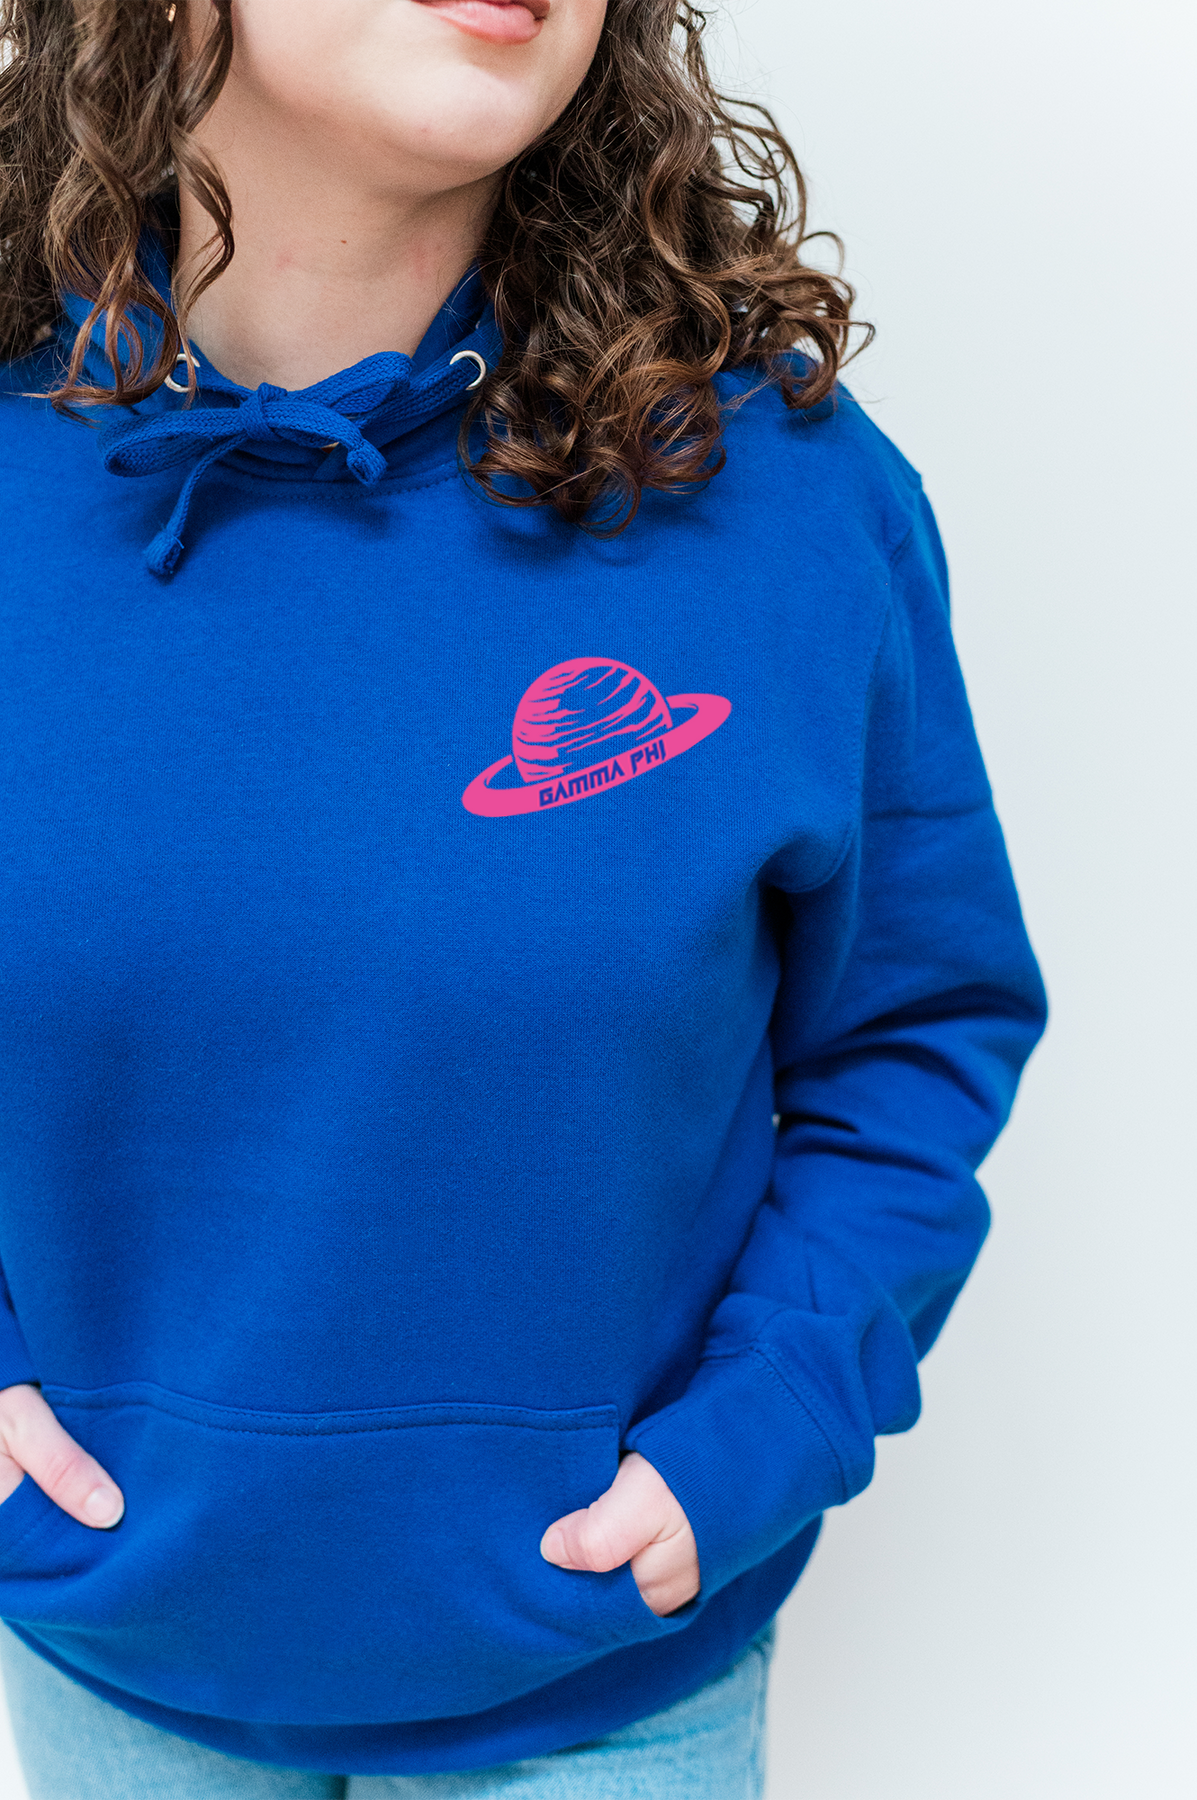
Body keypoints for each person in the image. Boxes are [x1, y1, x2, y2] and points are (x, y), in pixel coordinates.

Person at [0, 0, 1046, 1795]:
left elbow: (914, 1035)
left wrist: (764, 1425)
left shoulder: (786, 498)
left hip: (603, 1676)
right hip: (115, 1653)